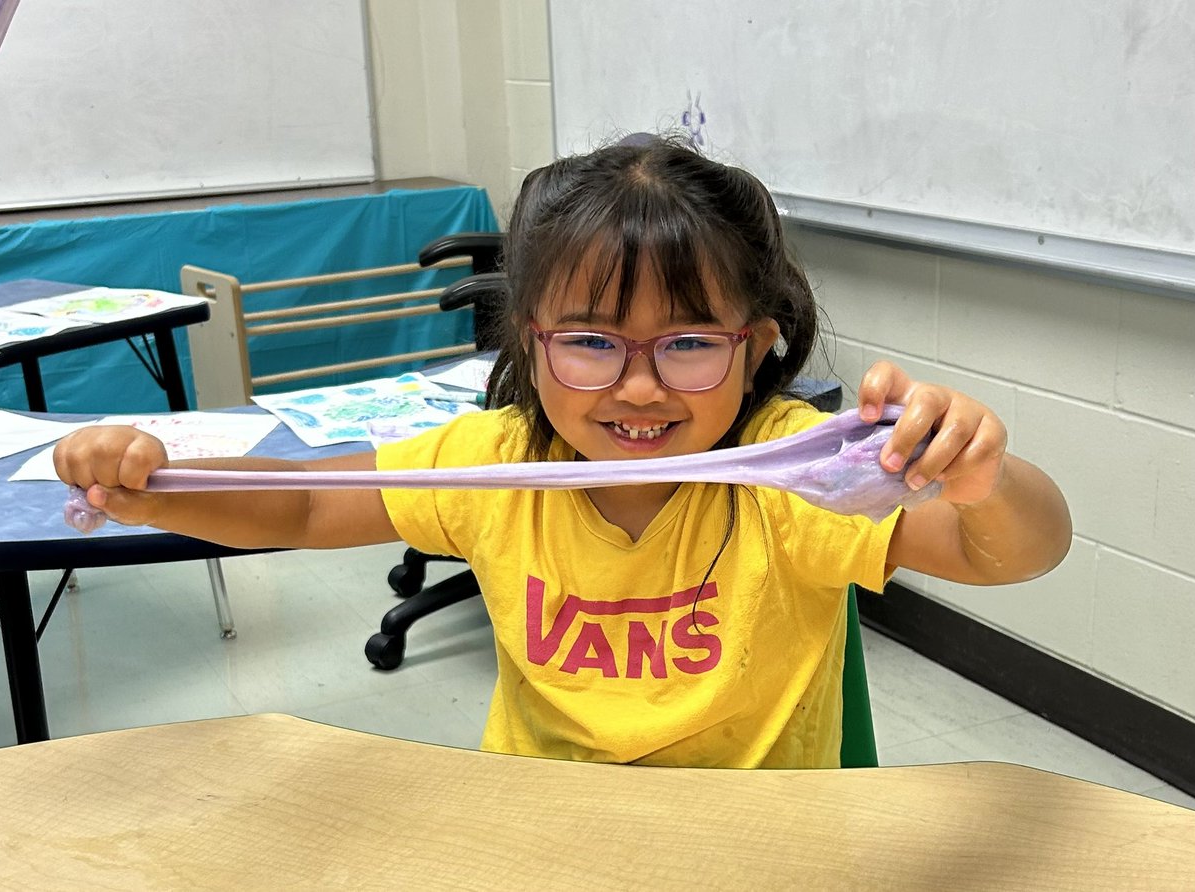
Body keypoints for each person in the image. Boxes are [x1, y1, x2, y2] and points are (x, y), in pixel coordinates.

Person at [53, 135, 1071, 769]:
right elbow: (309, 506)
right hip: (538, 824)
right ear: (528, 341)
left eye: (686, 343)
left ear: (755, 346)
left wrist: (985, 481)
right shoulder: (490, 461)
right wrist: (156, 486)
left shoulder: (797, 470)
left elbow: (1011, 551)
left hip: (755, 845)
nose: (638, 385)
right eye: (590, 340)